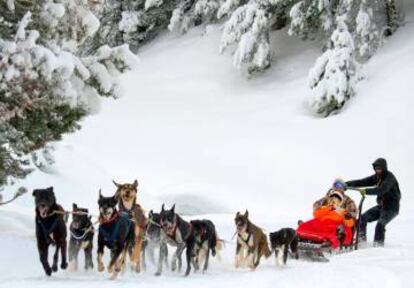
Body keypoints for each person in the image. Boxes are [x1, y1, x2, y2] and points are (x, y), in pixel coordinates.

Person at [346, 158, 401, 247]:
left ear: (384, 168)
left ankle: (378, 247)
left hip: (392, 208)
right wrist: (346, 184)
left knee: (380, 224)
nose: (377, 170)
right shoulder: (377, 177)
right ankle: (361, 243)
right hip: (381, 206)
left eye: (379, 168)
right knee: (362, 219)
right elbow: (362, 182)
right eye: (376, 168)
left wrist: (366, 191)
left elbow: (382, 190)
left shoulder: (389, 177)